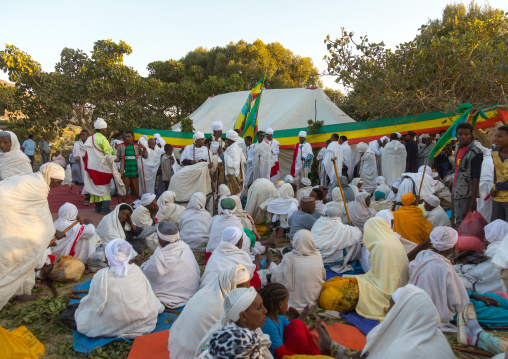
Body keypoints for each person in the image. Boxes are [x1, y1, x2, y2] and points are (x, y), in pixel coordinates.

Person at [0, 163, 65, 309]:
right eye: (58, 182)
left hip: (12, 218)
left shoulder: (38, 181)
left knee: (27, 256)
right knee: (24, 255)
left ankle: (22, 291)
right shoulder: (38, 186)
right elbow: (40, 217)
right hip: (7, 219)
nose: (59, 185)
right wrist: (51, 231)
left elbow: (40, 212)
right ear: (49, 176)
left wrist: (51, 230)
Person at [75, 238, 164, 338]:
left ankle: (122, 326)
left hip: (118, 322)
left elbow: (95, 305)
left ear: (108, 258)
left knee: (82, 315)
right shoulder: (136, 270)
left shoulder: (101, 276)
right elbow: (149, 295)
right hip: (145, 320)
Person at [168, 265, 251, 359]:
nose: (244, 293)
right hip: (192, 353)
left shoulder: (206, 291)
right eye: (240, 289)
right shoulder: (221, 308)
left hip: (178, 343)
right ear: (230, 285)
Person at [356, 285, 455, 359]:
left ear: (403, 313)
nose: (387, 309)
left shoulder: (401, 351)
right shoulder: (438, 337)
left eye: (392, 309)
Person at [346, 217, 409, 321]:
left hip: (388, 287)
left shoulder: (380, 246)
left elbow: (379, 277)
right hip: (403, 283)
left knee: (360, 287)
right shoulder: (393, 239)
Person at [197, 288, 272, 358]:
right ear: (243, 316)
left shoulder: (252, 330)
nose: (265, 311)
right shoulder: (234, 347)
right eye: (259, 307)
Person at [141, 222, 200, 309]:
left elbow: (145, 274)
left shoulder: (157, 257)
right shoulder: (185, 247)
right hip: (191, 292)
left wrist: (142, 263)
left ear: (160, 239)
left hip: (168, 298)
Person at [259, 283, 321, 358]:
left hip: (285, 346)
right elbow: (282, 354)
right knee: (298, 327)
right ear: (280, 304)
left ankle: (298, 319)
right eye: (287, 301)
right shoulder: (269, 325)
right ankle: (299, 319)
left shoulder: (280, 317)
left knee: (297, 325)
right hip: (278, 356)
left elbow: (293, 331)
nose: (288, 305)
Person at [455, 220, 508, 295]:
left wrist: (464, 267)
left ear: (493, 234)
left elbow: (481, 272)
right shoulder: (504, 245)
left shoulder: (494, 249)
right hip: (501, 286)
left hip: (492, 287)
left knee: (453, 279)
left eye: (487, 233)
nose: (484, 237)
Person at [311, 202, 362, 268]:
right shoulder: (341, 226)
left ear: (326, 213)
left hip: (316, 254)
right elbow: (357, 234)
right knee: (353, 239)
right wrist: (352, 227)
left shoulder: (319, 221)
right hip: (335, 256)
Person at [83, 118, 117, 214]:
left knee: (96, 187)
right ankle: (105, 209)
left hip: (92, 167)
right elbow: (109, 153)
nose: (105, 130)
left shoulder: (90, 138)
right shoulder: (102, 139)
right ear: (102, 129)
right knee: (105, 188)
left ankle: (97, 208)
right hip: (102, 168)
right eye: (105, 129)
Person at [452, 123, 483, 226]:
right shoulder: (459, 149)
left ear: (471, 135)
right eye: (460, 134)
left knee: (465, 223)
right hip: (457, 191)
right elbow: (458, 170)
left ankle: (465, 241)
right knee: (460, 220)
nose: (463, 137)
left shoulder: (475, 152)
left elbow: (476, 177)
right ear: (456, 135)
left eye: (466, 134)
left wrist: (473, 200)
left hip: (466, 195)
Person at [115, 130, 147, 203]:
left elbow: (145, 156)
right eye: (126, 137)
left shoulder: (137, 146)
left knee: (135, 191)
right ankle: (125, 206)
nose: (127, 138)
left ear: (132, 137)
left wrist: (144, 148)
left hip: (134, 173)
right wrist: (111, 158)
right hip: (125, 173)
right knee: (124, 192)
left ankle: (136, 206)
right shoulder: (120, 146)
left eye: (129, 136)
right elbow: (118, 158)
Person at [491, 126, 508, 221]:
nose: (495, 139)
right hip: (497, 198)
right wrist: (495, 186)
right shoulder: (495, 152)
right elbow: (496, 170)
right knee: (496, 229)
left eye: (500, 136)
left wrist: (495, 187)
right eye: (495, 136)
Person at [223, 129, 246, 195]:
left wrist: (223, 154)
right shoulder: (231, 147)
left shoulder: (234, 149)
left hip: (233, 176)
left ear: (230, 140)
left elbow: (234, 164)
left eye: (227, 139)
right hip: (231, 175)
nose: (226, 141)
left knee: (234, 195)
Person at [73, 129, 91, 205]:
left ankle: (95, 198)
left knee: (93, 181)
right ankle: (87, 198)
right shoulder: (77, 144)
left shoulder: (91, 143)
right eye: (81, 135)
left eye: (84, 134)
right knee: (86, 181)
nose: (82, 136)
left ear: (87, 135)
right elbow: (76, 157)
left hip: (92, 164)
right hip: (83, 165)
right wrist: (84, 157)